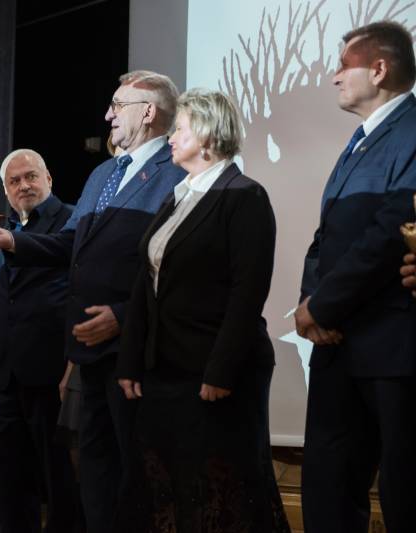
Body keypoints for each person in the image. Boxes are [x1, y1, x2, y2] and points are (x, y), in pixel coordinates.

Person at [0, 70, 186, 533]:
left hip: (139, 352)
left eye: (117, 105)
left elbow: (176, 267)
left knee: (139, 476)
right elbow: (69, 246)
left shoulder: (176, 173)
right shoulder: (103, 174)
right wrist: (10, 241)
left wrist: (124, 316)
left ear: (148, 112)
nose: (107, 115)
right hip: (90, 353)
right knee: (97, 474)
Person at [114, 88, 289, 532]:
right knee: (167, 494)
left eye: (180, 129)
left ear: (208, 134)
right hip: (164, 372)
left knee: (219, 499)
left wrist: (221, 370)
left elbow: (248, 292)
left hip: (214, 374)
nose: (171, 138)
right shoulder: (178, 196)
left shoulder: (244, 196)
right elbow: (146, 284)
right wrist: (131, 359)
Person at [293, 21, 416, 533]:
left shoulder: (411, 130)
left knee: (404, 490)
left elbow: (391, 231)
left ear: (379, 69)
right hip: (337, 344)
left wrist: (322, 306)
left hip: (391, 345)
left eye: (344, 65)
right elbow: (327, 236)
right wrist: (309, 302)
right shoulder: (360, 139)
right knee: (328, 488)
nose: (335, 76)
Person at [0, 149, 78, 533]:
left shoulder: (72, 219)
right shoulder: (2, 227)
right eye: (14, 181)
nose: (23, 185)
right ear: (5, 191)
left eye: (31, 176)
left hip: (52, 373)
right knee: (9, 480)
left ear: (49, 179)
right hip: (7, 377)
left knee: (60, 483)